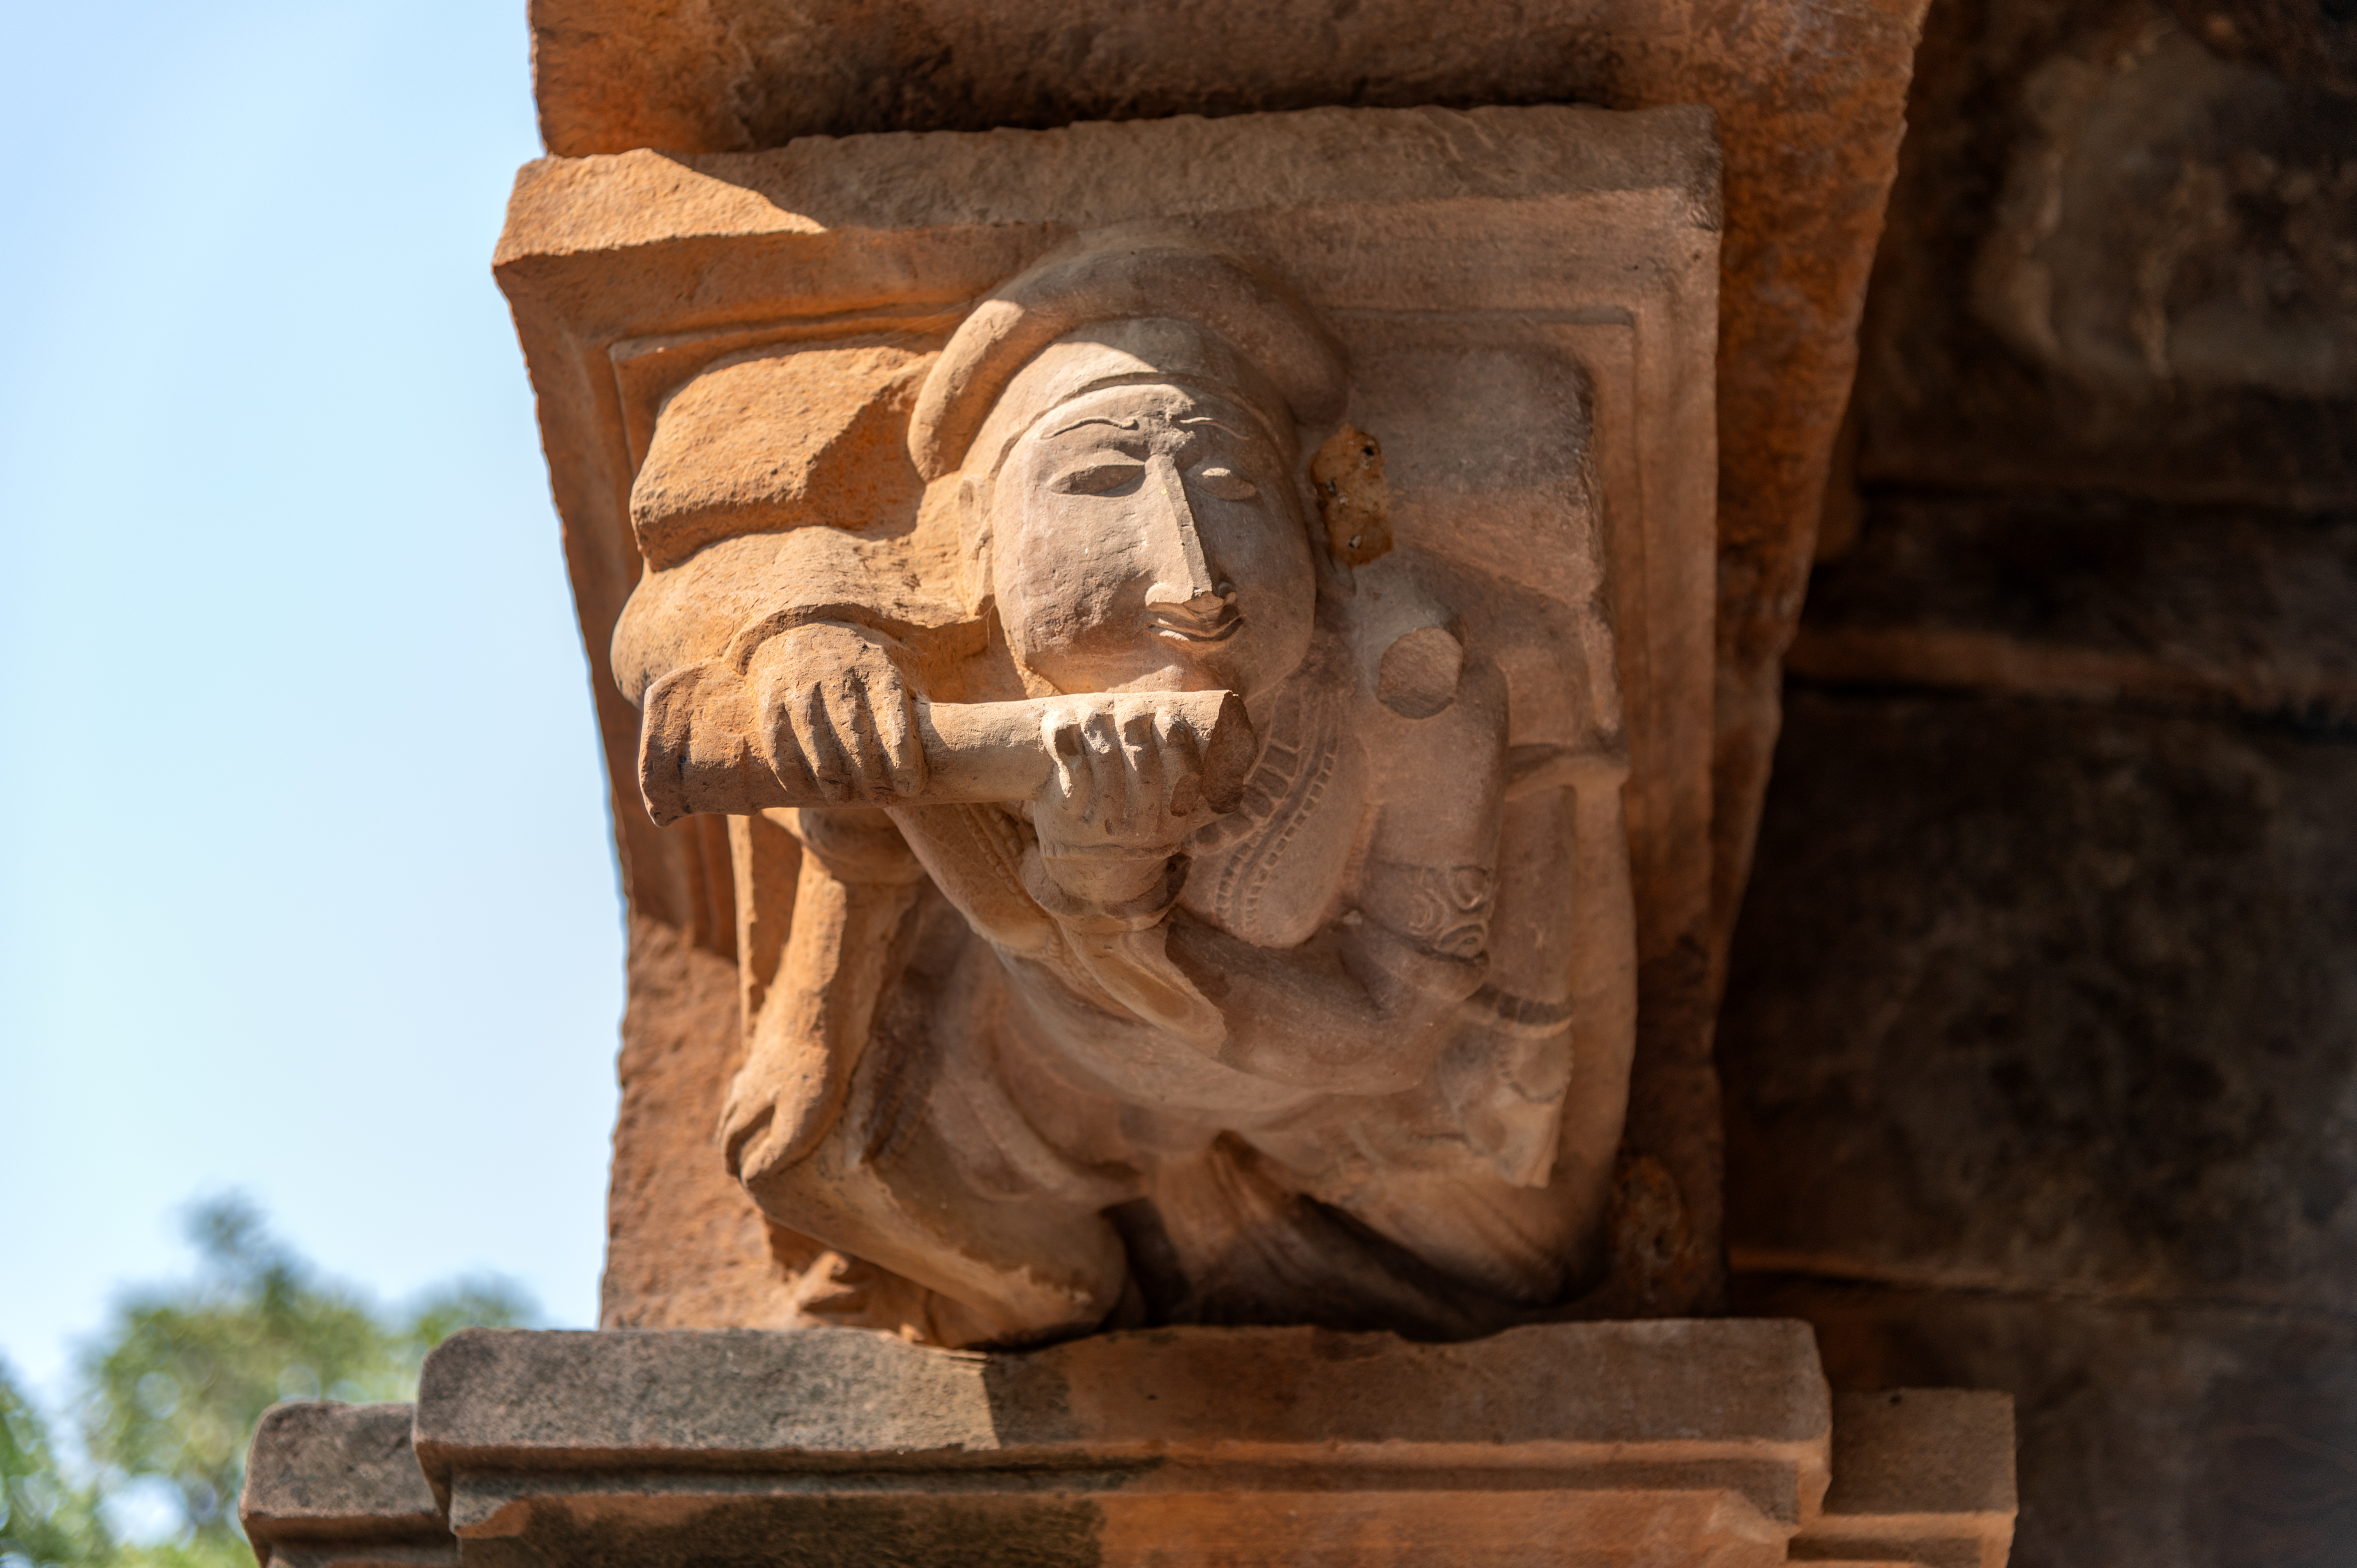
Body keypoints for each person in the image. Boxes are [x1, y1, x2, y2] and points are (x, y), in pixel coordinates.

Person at [622, 236, 1635, 1347]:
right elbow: (675, 629)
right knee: (799, 1167)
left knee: (1534, 1261)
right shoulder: (949, 658)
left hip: (1329, 1122)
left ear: (1313, 520)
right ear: (976, 541)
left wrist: (1124, 919)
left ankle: (1198, 1239)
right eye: (1101, 484)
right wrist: (802, 640)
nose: (1191, 574)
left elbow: (1394, 1036)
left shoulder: (1404, 696)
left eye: (1233, 485)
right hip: (1023, 1085)